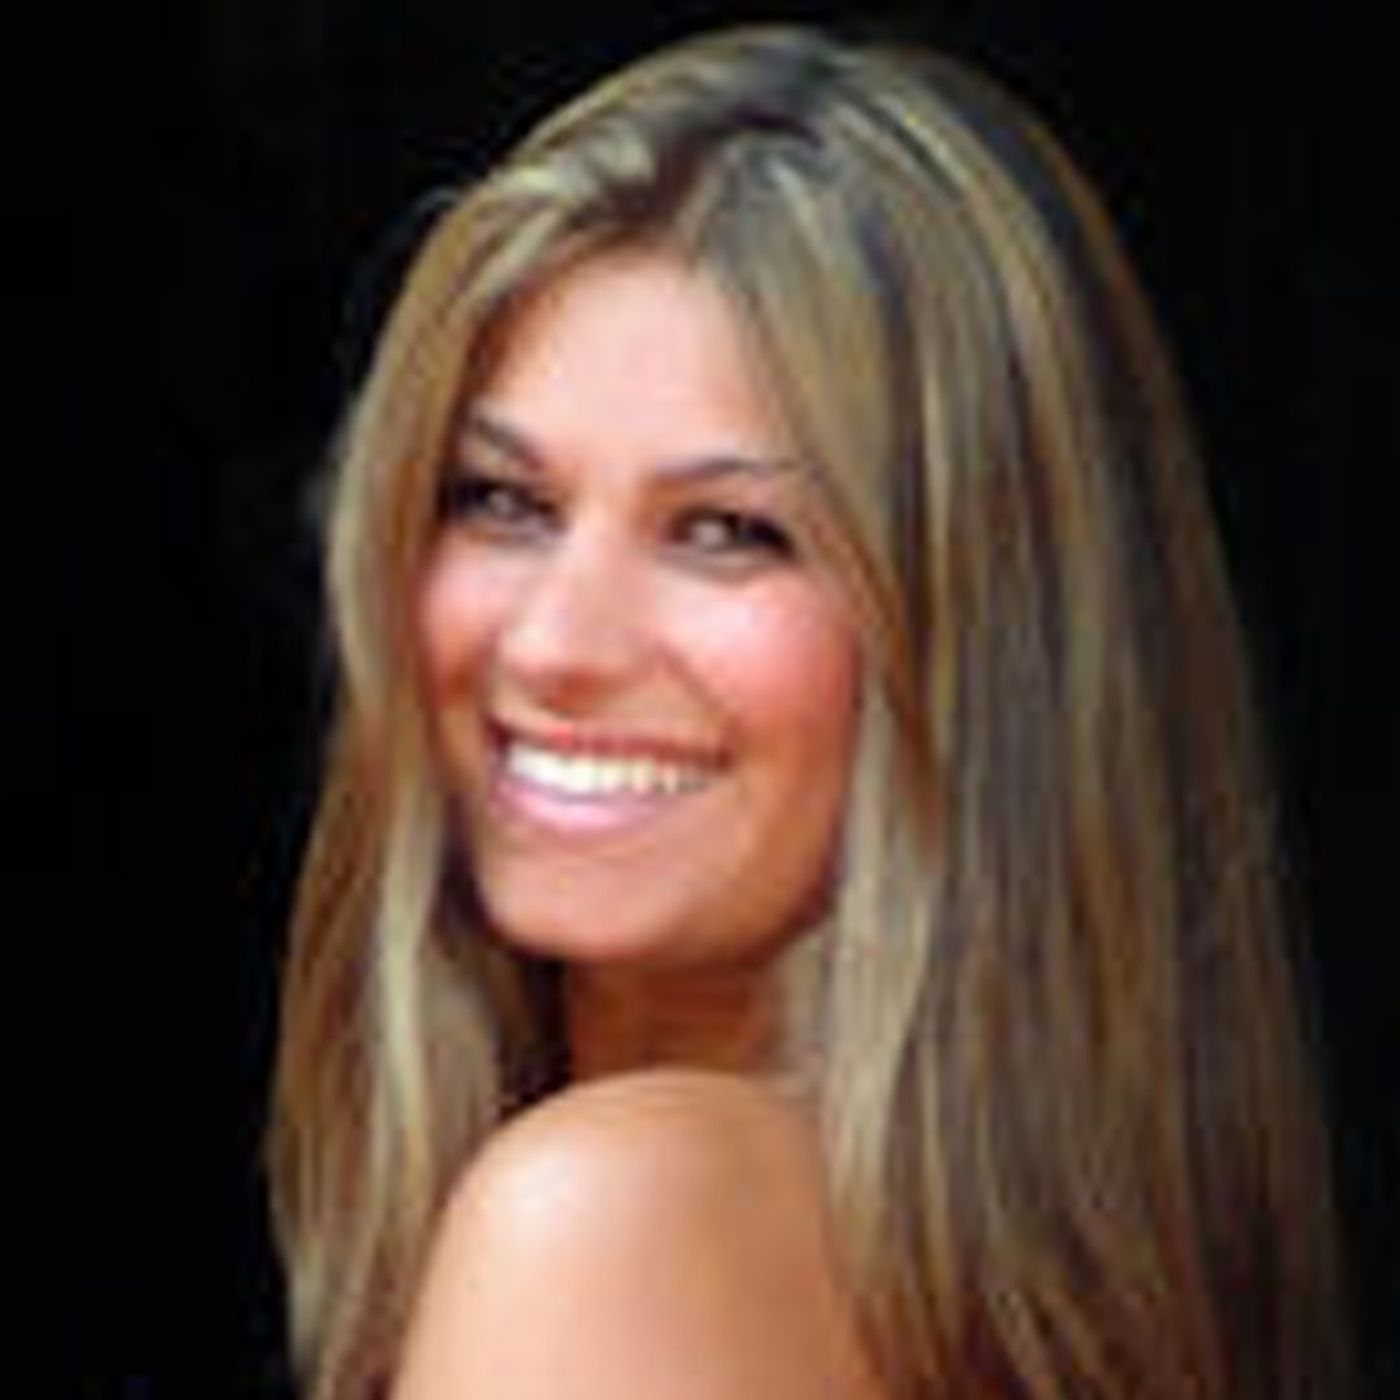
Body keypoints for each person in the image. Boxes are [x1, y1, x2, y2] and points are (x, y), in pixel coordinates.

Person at [269, 24, 1349, 1400]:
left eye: (728, 532)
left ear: (974, 639)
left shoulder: (605, 1228)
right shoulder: (1045, 1287)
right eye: (503, 502)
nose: (554, 644)